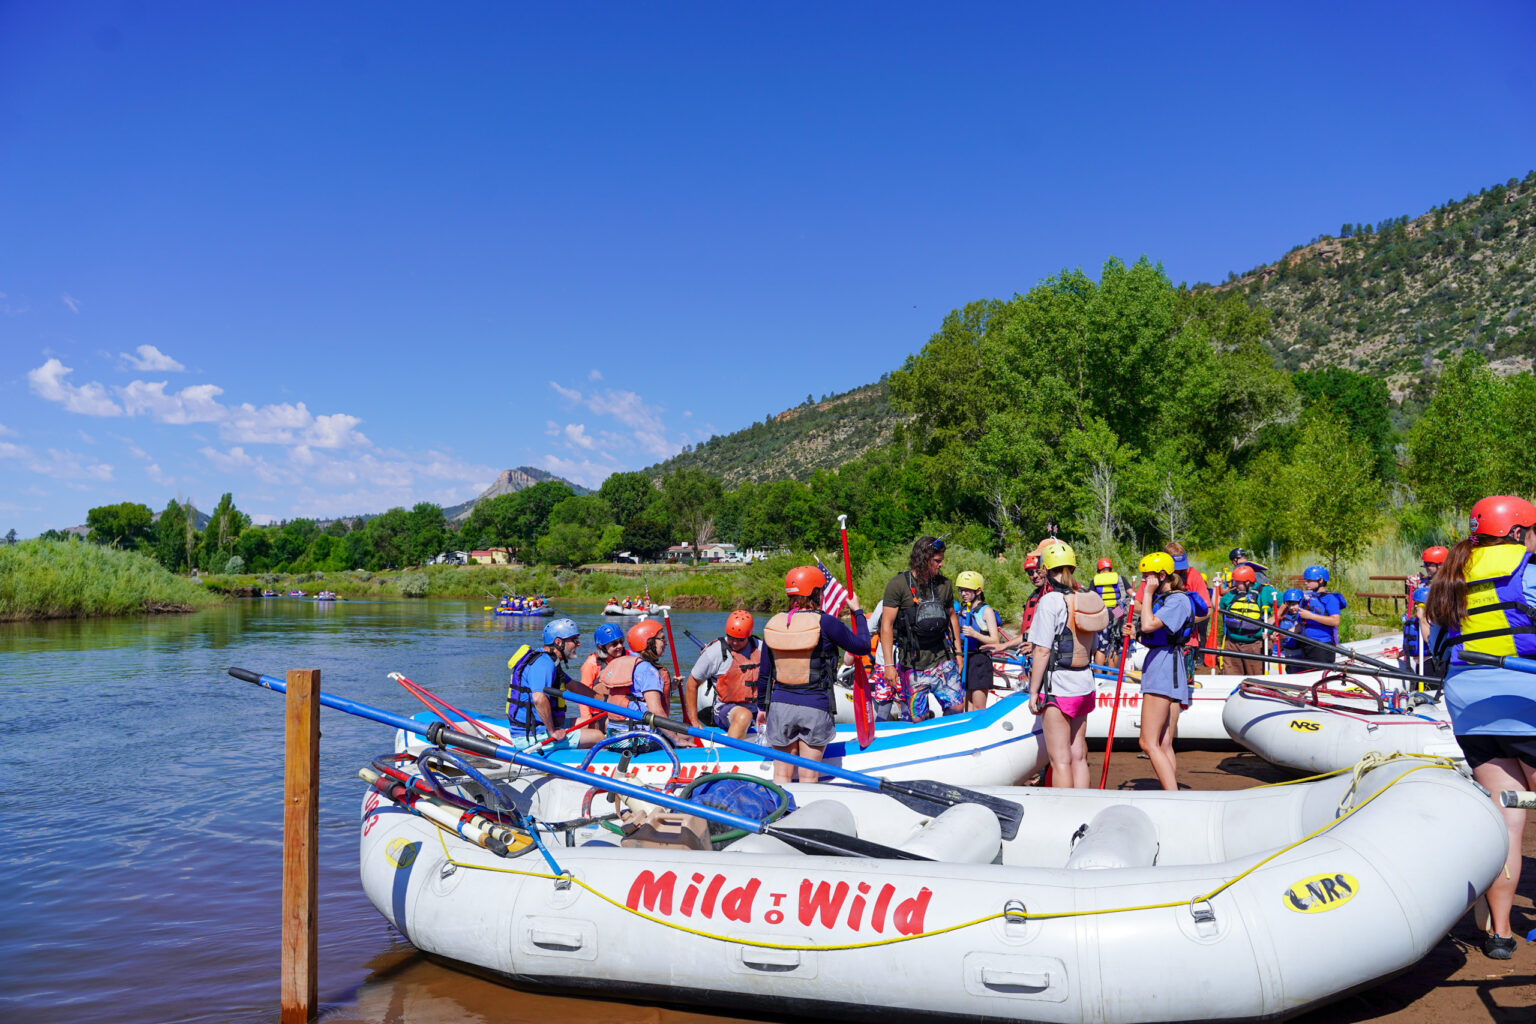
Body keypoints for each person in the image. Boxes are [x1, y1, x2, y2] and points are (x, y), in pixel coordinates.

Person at [1424, 494, 1536, 960]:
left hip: (1470, 707)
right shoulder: (1527, 570)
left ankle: (1500, 934)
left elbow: (1436, 647)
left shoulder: (1452, 573)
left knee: (1510, 818)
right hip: (1525, 698)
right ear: (1517, 532)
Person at [760, 565, 871, 783]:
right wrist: (857, 612)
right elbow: (863, 646)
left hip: (780, 706)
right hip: (815, 706)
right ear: (816, 593)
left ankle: (781, 815)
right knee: (808, 775)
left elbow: (765, 673)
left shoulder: (774, 624)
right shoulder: (826, 623)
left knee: (781, 775)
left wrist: (761, 708)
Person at [1027, 543, 1107, 788]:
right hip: (1084, 684)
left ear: (1047, 571)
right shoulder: (1085, 598)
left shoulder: (1050, 601)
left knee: (1060, 759)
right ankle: (1083, 808)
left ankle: (1065, 814)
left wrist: (1033, 692)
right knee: (1078, 756)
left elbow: (1041, 650)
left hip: (1058, 687)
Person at [1127, 552, 1194, 790]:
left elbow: (1148, 624)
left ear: (1162, 576)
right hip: (1163, 661)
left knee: (1147, 742)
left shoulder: (1177, 600)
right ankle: (1172, 792)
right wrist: (1135, 634)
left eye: (1148, 578)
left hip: (1165, 667)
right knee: (1164, 742)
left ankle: (1172, 795)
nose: (1145, 582)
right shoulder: (1165, 599)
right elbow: (1151, 632)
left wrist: (1146, 594)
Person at [879, 536, 964, 721]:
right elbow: (886, 625)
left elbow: (951, 616)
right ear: (924, 559)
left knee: (957, 707)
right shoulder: (898, 585)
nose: (941, 565)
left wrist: (958, 653)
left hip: (943, 658)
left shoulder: (945, 585)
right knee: (918, 717)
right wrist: (888, 665)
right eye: (937, 561)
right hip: (912, 663)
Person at [684, 609, 762, 738]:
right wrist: (693, 720)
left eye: (740, 640)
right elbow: (691, 684)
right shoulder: (714, 652)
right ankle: (733, 753)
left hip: (759, 709)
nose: (735, 643)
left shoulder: (761, 648)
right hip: (726, 710)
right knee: (744, 715)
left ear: (749, 635)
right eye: (731, 638)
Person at [505, 617, 583, 745]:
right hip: (533, 734)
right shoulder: (544, 664)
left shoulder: (549, 661)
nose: (578, 644)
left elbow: (574, 686)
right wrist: (552, 732)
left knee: (595, 722)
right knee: (597, 735)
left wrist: (603, 699)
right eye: (574, 640)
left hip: (539, 727)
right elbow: (539, 698)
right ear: (558, 642)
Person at [595, 619, 671, 727]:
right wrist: (676, 739)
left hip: (619, 725)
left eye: (621, 642)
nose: (666, 642)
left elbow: (638, 690)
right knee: (688, 738)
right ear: (650, 642)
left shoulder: (625, 662)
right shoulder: (646, 669)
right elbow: (656, 711)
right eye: (662, 639)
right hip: (636, 730)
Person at [1217, 566, 1278, 676]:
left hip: (1255, 644)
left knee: (1256, 681)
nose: (1235, 585)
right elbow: (1217, 607)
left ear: (1247, 582)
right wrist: (1215, 588)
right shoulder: (1233, 593)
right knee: (1231, 679)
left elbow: (1287, 602)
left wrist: (1273, 620)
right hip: (1232, 645)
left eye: (1238, 582)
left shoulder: (1265, 591)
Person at [955, 570, 1000, 712]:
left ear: (978, 591)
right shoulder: (964, 610)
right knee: (967, 707)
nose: (963, 594)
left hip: (980, 660)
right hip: (966, 658)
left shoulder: (986, 611)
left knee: (978, 707)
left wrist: (975, 634)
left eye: (967, 590)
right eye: (962, 590)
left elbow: (995, 641)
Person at [1165, 542, 1212, 660]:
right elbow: (1138, 605)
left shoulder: (1194, 576)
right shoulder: (1157, 575)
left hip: (1187, 641)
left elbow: (1208, 610)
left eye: (1181, 567)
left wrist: (1187, 621)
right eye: (1176, 568)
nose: (1179, 571)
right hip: (1161, 640)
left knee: (1186, 677)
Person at [1296, 565, 1346, 664]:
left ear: (1321, 580)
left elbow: (1335, 620)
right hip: (1306, 644)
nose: (1306, 583)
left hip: (1322, 646)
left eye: (1309, 580)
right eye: (1306, 580)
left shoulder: (1330, 598)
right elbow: (1302, 624)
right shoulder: (1309, 597)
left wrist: (1311, 616)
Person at [1092, 557, 1126, 665]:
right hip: (1117, 612)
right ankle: (1111, 677)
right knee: (1114, 646)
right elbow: (1129, 594)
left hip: (1102, 613)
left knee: (1100, 648)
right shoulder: (1120, 578)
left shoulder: (1095, 580)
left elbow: (1090, 597)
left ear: (1099, 570)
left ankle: (1099, 676)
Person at [1399, 586, 1432, 677]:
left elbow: (1428, 640)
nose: (1416, 606)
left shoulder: (1433, 621)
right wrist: (1399, 654)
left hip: (1430, 663)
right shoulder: (1417, 621)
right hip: (1419, 663)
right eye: (1415, 603)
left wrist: (1422, 619)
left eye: (1419, 603)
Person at [1275, 588, 1307, 666]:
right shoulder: (1285, 617)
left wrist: (1286, 632)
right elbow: (1281, 635)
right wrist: (1275, 636)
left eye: (1294, 604)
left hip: (1301, 652)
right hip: (1288, 652)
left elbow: (1300, 627)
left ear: (1301, 602)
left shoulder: (1305, 616)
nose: (1291, 608)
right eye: (1289, 605)